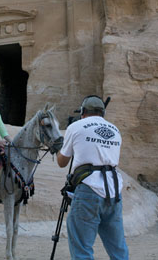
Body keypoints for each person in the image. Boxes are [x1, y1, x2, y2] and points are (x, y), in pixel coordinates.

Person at [57, 96, 129, 260]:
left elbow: (62, 162)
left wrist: (61, 149)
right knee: (118, 248)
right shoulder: (115, 130)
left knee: (82, 248)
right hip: (113, 189)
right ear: (102, 113)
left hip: (88, 188)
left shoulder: (76, 127)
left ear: (83, 112)